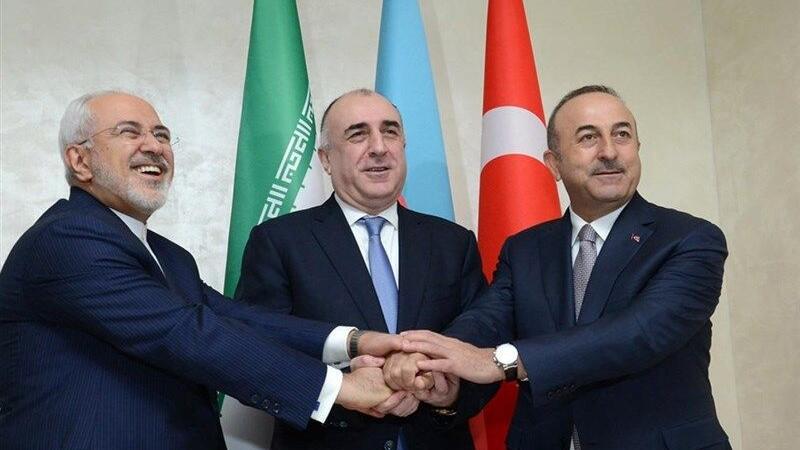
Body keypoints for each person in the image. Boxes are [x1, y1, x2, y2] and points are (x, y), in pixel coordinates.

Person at [0, 91, 403, 450]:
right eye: (129, 132)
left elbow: (236, 318)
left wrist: (355, 341)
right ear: (80, 160)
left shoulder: (169, 255)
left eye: (161, 135)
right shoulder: (67, 238)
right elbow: (187, 334)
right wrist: (339, 387)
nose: (154, 146)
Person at [400, 85, 732, 450]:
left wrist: (500, 361)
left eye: (622, 135)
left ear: (637, 148)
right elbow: (486, 320)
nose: (609, 151)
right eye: (588, 137)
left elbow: (637, 333)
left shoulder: (690, 239)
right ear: (553, 164)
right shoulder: (525, 250)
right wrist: (431, 360)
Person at [235, 89, 489, 450]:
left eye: (390, 132)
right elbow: (253, 353)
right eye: (358, 134)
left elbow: (482, 345)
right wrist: (345, 386)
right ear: (326, 159)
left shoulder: (453, 242)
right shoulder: (279, 241)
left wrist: (448, 396)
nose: (379, 147)